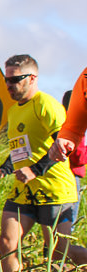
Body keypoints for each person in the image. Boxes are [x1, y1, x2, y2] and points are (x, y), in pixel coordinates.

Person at [0, 55, 87, 272]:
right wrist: (4, 169)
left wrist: (36, 170)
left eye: (15, 79)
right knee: (7, 242)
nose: (9, 85)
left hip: (55, 190)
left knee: (59, 253)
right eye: (6, 80)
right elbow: (20, 150)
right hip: (23, 193)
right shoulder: (13, 110)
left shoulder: (48, 105)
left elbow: (63, 145)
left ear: (32, 79)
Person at [59, 89, 87, 226]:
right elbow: (79, 157)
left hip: (62, 174)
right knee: (69, 220)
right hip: (71, 175)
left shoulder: (61, 121)